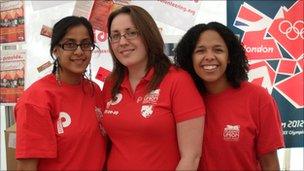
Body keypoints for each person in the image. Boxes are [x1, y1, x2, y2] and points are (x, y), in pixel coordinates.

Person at [101, 5, 205, 170]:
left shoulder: (178, 80)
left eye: (131, 33)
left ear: (148, 35)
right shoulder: (111, 82)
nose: (122, 42)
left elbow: (191, 157)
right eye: (115, 36)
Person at [174, 22, 285, 170]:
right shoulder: (180, 98)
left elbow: (270, 165)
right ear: (190, 59)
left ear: (229, 57)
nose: (209, 57)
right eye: (200, 51)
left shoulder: (258, 98)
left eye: (218, 50)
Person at [15, 16, 105, 170]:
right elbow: (26, 168)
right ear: (55, 50)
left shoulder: (94, 90)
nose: (79, 51)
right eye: (69, 44)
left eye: (85, 44)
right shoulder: (36, 99)